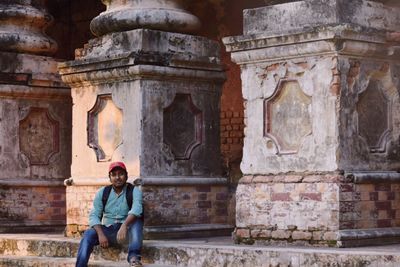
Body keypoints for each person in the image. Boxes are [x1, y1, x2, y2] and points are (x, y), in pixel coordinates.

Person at [76, 161, 143, 267]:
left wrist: (124, 225)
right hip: (108, 231)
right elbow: (94, 215)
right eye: (114, 175)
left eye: (121, 174)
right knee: (88, 233)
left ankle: (134, 259)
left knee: (137, 222)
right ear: (110, 178)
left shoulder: (134, 191)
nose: (117, 177)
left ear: (126, 176)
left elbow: (137, 209)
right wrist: (100, 234)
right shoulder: (102, 192)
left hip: (127, 234)